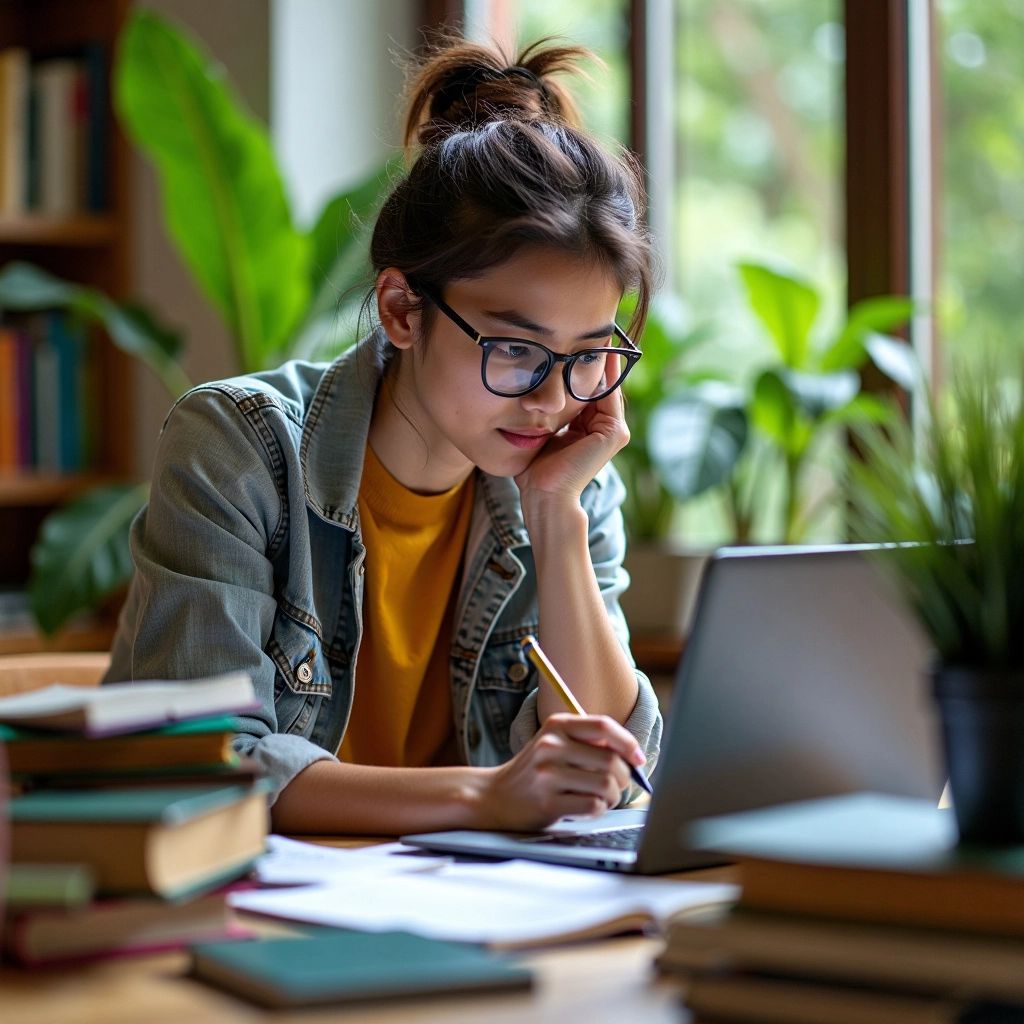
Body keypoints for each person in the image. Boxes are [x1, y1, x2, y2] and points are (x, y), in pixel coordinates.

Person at [105, 38, 663, 835]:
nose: (551, 398)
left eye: (588, 357)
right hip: (247, 906)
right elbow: (208, 758)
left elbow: (617, 768)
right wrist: (485, 796)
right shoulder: (239, 447)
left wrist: (555, 518)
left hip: (455, 905)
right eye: (515, 348)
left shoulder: (566, 478)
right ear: (403, 311)